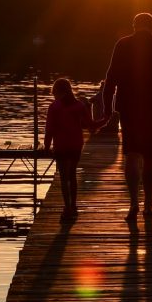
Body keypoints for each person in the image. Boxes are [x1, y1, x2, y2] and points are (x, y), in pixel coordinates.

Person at [102, 12, 152, 222]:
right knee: (150, 155)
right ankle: (149, 204)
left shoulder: (122, 44)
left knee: (132, 154)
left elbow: (111, 77)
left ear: (134, 25)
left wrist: (107, 107)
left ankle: (134, 202)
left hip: (128, 107)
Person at [44, 78, 107, 220]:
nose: (54, 97)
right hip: (75, 145)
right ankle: (73, 206)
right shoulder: (79, 106)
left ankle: (67, 208)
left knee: (63, 177)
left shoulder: (54, 107)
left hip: (61, 146)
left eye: (55, 94)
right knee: (71, 175)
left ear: (59, 93)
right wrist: (105, 120)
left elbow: (50, 129)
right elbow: (90, 125)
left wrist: (47, 147)